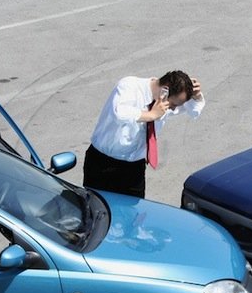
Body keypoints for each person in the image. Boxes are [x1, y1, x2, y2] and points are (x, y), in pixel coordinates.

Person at [83, 70, 205, 198]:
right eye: (173, 104)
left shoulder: (164, 103)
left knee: (134, 214)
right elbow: (119, 113)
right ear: (165, 90)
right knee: (95, 212)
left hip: (134, 169)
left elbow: (194, 112)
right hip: (103, 165)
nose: (173, 109)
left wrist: (196, 97)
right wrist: (151, 115)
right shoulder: (129, 86)